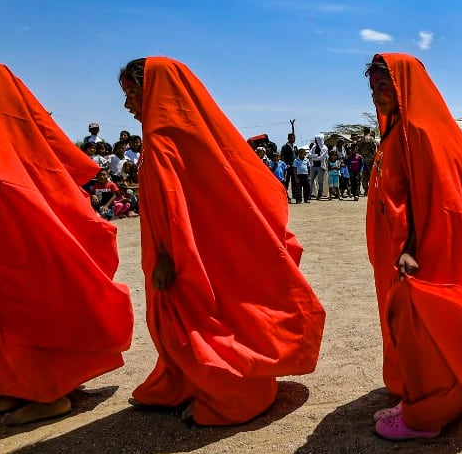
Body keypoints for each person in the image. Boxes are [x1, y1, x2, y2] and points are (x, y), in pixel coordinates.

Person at [118, 57, 325, 425]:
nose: (127, 103)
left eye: (133, 92)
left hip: (184, 253)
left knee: (197, 320)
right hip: (178, 248)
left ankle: (237, 394)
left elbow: (176, 202)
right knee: (173, 321)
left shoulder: (166, 136)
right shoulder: (172, 131)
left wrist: (168, 256)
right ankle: (181, 383)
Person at [364, 53, 462, 441]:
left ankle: (427, 414)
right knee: (411, 324)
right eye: (372, 87)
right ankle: (423, 396)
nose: (376, 95)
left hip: (421, 249)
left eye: (384, 86)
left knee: (423, 324)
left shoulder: (420, 131)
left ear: (403, 88)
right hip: (405, 245)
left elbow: (427, 195)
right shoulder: (401, 128)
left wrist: (409, 246)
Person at [0, 63, 133, 425]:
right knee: (26, 312)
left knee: (25, 315)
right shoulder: (26, 142)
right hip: (27, 247)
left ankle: (49, 394)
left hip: (15, 249)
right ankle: (21, 387)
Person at [359, 126, 377, 196]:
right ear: (369, 131)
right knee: (371, 175)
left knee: (364, 175)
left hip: (362, 159)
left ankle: (366, 190)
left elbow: (358, 149)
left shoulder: (361, 139)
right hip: (370, 159)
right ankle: (371, 190)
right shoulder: (372, 139)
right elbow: (374, 150)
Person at [281, 133, 298, 202]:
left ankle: (294, 194)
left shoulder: (295, 146)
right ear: (288, 138)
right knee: (286, 180)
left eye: (294, 138)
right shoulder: (285, 146)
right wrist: (285, 164)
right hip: (287, 166)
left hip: (294, 166)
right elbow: (282, 156)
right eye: (291, 138)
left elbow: (297, 155)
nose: (293, 139)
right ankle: (285, 194)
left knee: (294, 180)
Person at [310, 135, 328, 200]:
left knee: (320, 182)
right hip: (313, 166)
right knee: (310, 180)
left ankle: (319, 195)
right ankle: (309, 194)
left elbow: (322, 157)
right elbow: (309, 154)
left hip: (321, 167)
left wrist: (314, 158)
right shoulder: (313, 147)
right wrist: (315, 156)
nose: (315, 141)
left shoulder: (325, 148)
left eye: (316, 140)